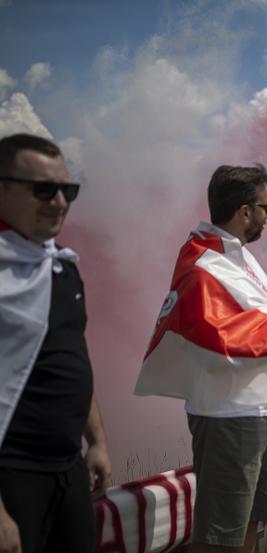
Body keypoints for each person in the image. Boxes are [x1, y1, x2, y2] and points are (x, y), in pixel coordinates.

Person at [135, 164, 267, 553]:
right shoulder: (204, 264)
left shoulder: (232, 255)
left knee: (252, 520)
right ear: (244, 211)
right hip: (229, 415)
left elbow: (257, 317)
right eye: (266, 208)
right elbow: (216, 333)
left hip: (260, 409)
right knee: (221, 533)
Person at [0, 133, 112, 553]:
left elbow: (73, 356)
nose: (60, 202)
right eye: (43, 190)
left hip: (67, 469)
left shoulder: (61, 265)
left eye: (68, 190)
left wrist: (97, 441)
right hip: (12, 473)